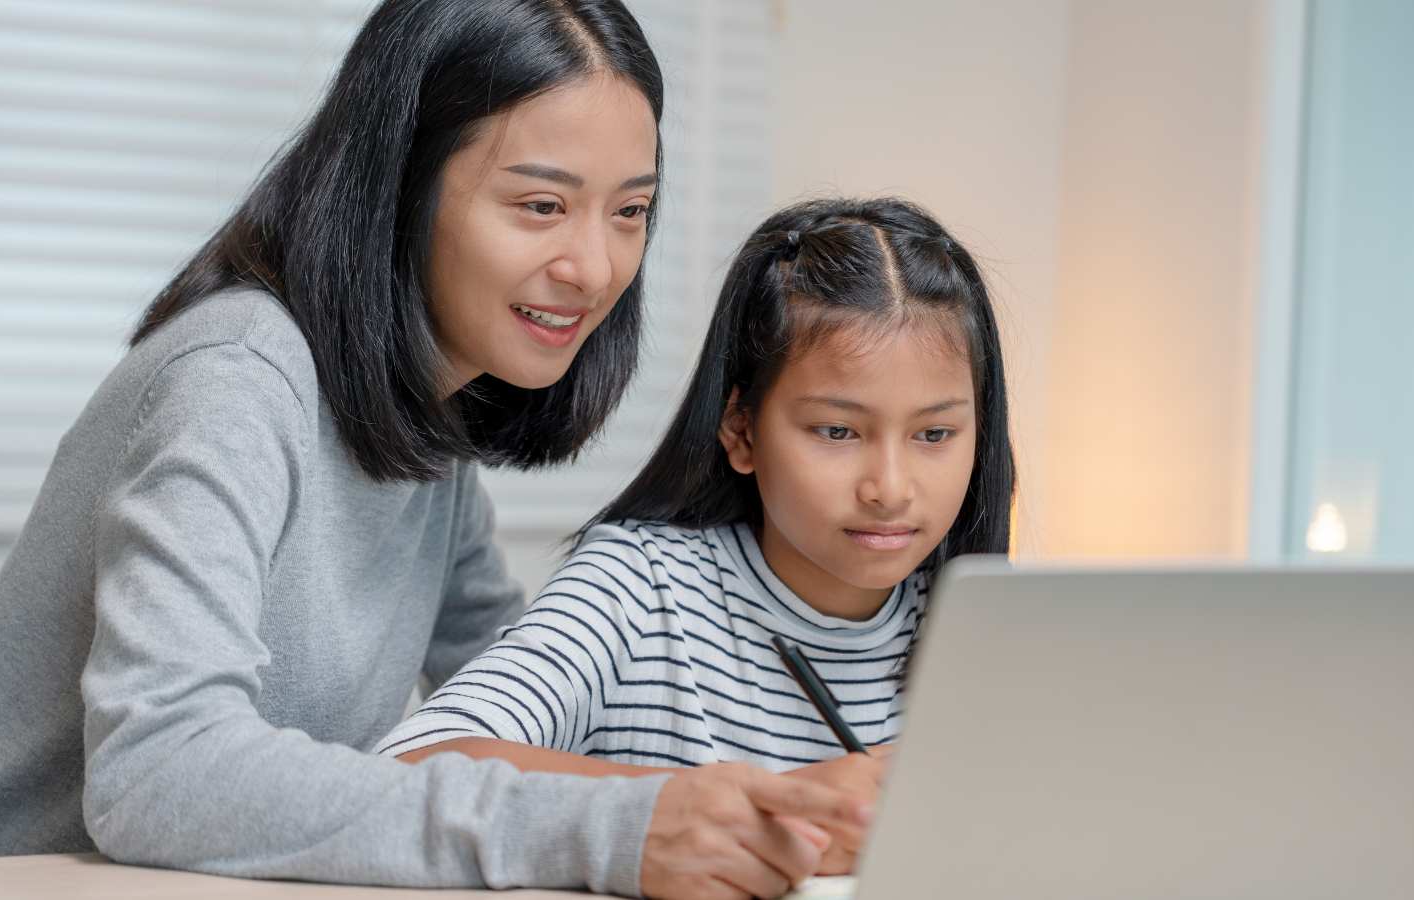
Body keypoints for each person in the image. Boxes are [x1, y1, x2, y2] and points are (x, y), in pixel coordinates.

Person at [0, 3, 868, 896]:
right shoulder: (235, 379)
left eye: (630, 211)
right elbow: (158, 771)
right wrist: (610, 826)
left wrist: (784, 802)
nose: (596, 266)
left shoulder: (424, 422)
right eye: (541, 206)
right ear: (402, 186)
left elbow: (520, 695)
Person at [377, 196, 1018, 891]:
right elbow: (410, 770)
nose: (890, 488)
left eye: (934, 435)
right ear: (741, 430)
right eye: (837, 431)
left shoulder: (987, 630)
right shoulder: (638, 587)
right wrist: (744, 811)